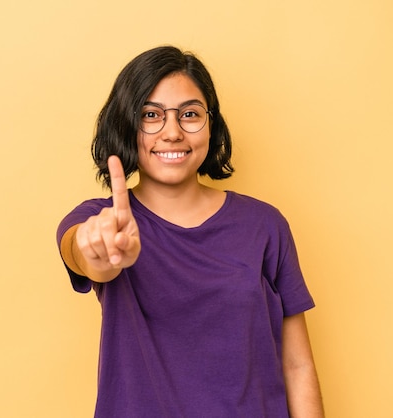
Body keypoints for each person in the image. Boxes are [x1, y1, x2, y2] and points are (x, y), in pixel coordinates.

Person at [56, 45, 324, 417]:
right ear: (126, 125)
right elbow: (87, 255)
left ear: (211, 125)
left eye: (190, 114)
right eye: (151, 115)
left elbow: (297, 366)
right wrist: (98, 248)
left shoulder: (265, 225)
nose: (172, 132)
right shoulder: (100, 221)